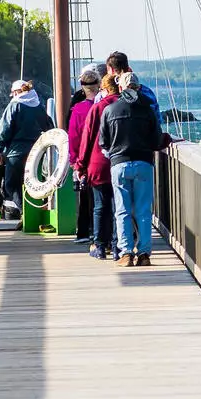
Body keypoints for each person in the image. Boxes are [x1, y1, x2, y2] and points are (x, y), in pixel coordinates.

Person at [100, 70, 164, 266]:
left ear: (120, 88)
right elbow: (156, 140)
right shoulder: (148, 111)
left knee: (122, 210)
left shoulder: (110, 110)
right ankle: (144, 254)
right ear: (138, 87)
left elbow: (103, 142)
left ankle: (126, 253)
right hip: (144, 163)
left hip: (119, 164)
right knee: (143, 211)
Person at [66, 65, 118, 257]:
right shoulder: (109, 106)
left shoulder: (79, 109)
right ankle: (115, 242)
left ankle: (93, 239)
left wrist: (76, 162)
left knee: (95, 204)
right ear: (98, 85)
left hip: (89, 161)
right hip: (111, 159)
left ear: (82, 86)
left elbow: (75, 137)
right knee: (114, 205)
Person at [0, 78, 53, 221]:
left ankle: (23, 212)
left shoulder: (15, 105)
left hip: (16, 153)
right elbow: (49, 126)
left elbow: (4, 129)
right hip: (37, 153)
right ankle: (35, 212)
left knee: (11, 185)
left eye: (13, 93)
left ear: (17, 92)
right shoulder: (38, 106)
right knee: (32, 184)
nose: (12, 96)